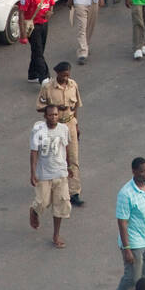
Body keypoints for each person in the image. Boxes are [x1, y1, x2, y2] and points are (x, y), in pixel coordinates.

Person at [109, 156, 145, 290]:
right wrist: (127, 248)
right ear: (134, 171)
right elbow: (122, 223)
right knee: (133, 279)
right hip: (134, 243)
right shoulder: (126, 193)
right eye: (142, 171)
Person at [37, 62, 85, 206]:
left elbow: (76, 106)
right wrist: (55, 108)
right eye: (63, 75)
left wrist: (76, 124)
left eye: (68, 74)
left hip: (70, 124)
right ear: (57, 73)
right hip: (54, 126)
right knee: (54, 158)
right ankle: (50, 187)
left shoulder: (73, 85)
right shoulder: (47, 88)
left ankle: (74, 192)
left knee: (73, 158)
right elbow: (39, 107)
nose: (66, 77)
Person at [29, 103, 71, 249]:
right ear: (45, 116)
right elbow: (34, 152)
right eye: (50, 115)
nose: (53, 117)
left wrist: (69, 166)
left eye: (55, 115)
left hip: (60, 172)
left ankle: (56, 235)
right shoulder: (38, 131)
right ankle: (33, 211)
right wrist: (32, 173)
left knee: (61, 204)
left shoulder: (64, 129)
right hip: (44, 174)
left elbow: (66, 148)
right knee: (42, 203)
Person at [20, 0, 55, 84]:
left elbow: (51, 5)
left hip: (44, 24)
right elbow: (21, 13)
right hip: (33, 26)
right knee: (38, 51)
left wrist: (50, 12)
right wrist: (23, 34)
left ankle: (32, 74)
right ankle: (44, 77)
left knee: (39, 50)